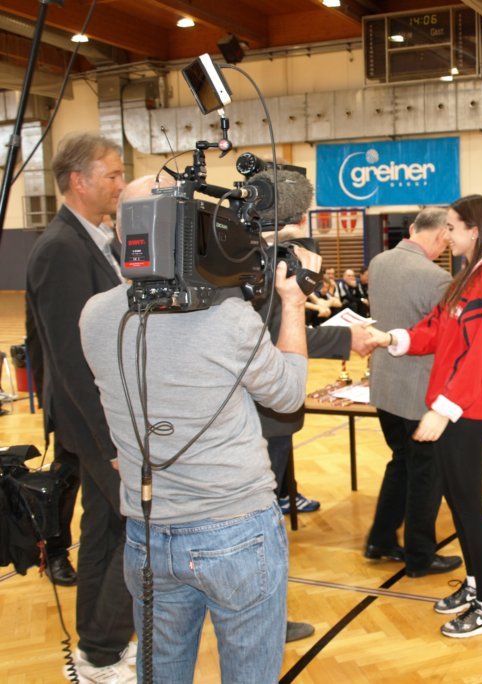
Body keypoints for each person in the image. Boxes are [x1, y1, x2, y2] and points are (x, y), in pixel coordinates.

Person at [80, 241, 317, 682]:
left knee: (162, 672)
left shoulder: (95, 314)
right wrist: (293, 302)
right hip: (235, 529)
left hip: (147, 532)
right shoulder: (228, 317)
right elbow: (287, 395)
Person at [367, 195, 482, 638]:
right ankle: (475, 586)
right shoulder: (469, 275)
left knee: (470, 508)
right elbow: (438, 329)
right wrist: (392, 339)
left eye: (453, 227)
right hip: (457, 407)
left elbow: (478, 356)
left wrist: (442, 410)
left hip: (468, 411)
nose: (447, 235)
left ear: (474, 231)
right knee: (458, 503)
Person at [25, 133, 135, 682]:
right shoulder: (61, 249)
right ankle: (102, 648)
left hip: (105, 417)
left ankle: (99, 648)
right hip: (95, 422)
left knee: (104, 531)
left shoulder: (98, 238)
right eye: (112, 175)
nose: (120, 184)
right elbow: (70, 359)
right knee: (137, 527)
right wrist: (110, 439)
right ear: (78, 181)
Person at [365, 208, 463, 578]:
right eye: (446, 241)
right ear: (440, 236)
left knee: (401, 462)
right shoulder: (437, 278)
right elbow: (444, 337)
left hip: (385, 384)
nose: (446, 248)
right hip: (419, 390)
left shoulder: (378, 262)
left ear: (412, 229)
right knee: (425, 473)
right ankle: (420, 556)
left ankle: (381, 539)